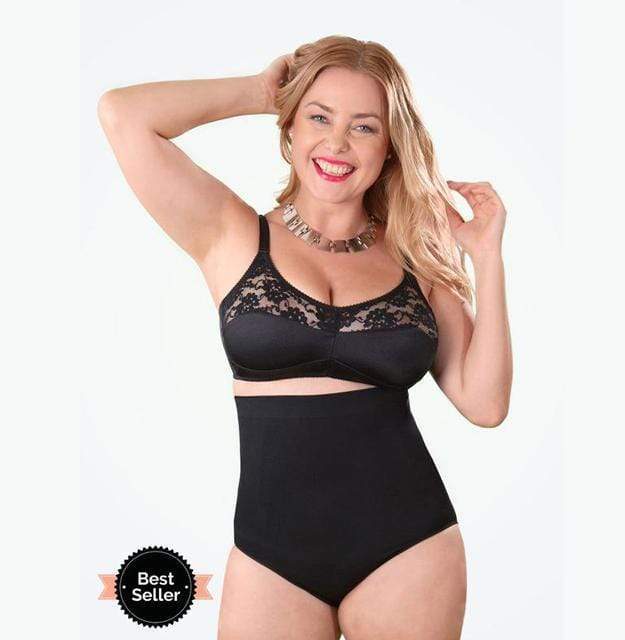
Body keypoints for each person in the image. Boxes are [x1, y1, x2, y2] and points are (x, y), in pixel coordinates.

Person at [98, 35, 512, 640]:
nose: (337, 144)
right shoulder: (230, 233)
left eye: (364, 127)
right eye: (319, 117)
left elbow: (486, 403)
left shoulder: (417, 259)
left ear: (389, 148)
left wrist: (486, 257)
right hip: (271, 557)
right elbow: (123, 114)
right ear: (290, 129)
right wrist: (259, 93)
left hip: (408, 544)